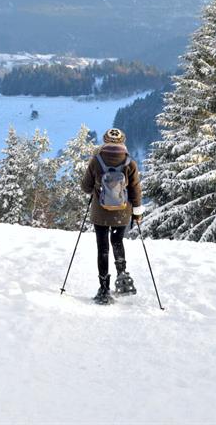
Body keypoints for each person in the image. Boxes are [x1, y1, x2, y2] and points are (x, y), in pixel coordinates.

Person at [81, 128, 144, 305]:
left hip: (100, 212)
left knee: (102, 248)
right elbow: (135, 189)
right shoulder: (130, 162)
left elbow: (86, 187)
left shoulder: (96, 160)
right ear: (123, 141)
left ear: (105, 140)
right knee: (117, 241)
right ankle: (122, 275)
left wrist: (97, 186)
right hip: (121, 212)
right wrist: (137, 212)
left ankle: (104, 288)